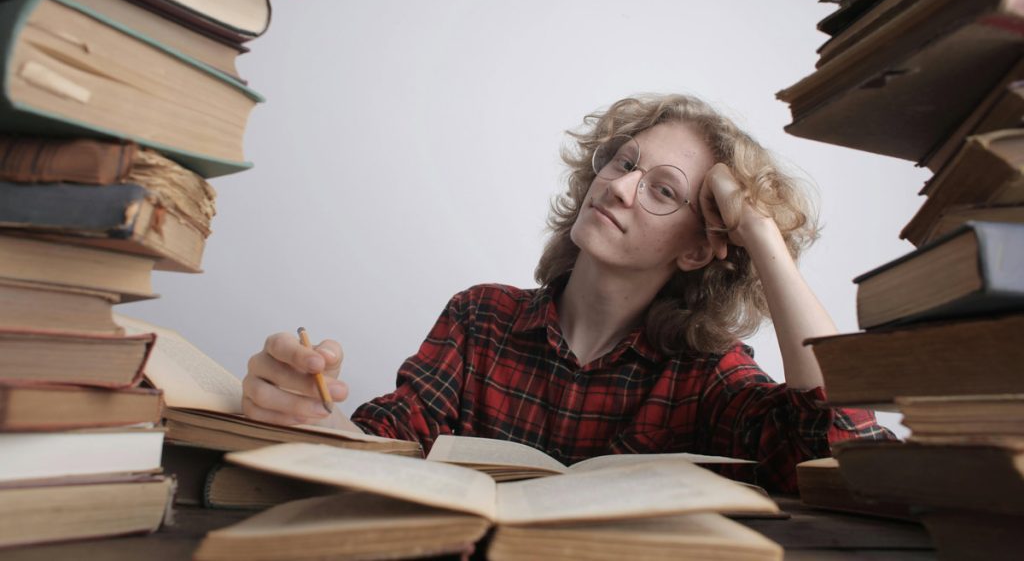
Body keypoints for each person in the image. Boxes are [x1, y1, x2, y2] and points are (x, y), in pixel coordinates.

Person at [242, 93, 892, 493]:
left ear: (697, 248)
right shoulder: (480, 317)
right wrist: (314, 419)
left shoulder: (707, 376)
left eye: (663, 190)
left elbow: (841, 443)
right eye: (624, 161)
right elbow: (390, 436)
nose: (619, 186)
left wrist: (761, 234)